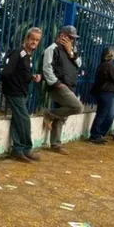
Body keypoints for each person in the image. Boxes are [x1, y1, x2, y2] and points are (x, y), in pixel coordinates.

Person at [1, 27, 43, 162]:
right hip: (15, 92)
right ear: (26, 39)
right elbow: (7, 72)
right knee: (24, 119)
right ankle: (27, 148)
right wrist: (10, 86)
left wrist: (32, 77)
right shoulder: (19, 53)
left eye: (37, 40)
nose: (34, 42)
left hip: (21, 92)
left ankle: (18, 149)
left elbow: (22, 73)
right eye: (32, 39)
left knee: (17, 120)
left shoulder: (27, 55)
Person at [41, 25, 84, 154]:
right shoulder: (52, 49)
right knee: (78, 107)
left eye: (73, 38)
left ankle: (55, 144)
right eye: (70, 37)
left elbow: (79, 64)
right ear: (62, 36)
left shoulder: (71, 50)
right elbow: (47, 68)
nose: (72, 40)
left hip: (70, 85)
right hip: (59, 85)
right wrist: (57, 83)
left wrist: (71, 52)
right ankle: (48, 114)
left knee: (62, 115)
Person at [88, 46, 114, 144]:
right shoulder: (109, 65)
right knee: (102, 114)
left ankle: (95, 134)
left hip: (102, 91)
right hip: (107, 92)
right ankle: (95, 135)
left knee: (101, 114)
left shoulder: (103, 64)